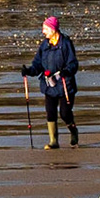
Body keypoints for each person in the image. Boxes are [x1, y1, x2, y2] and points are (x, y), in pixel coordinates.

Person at [22, 16, 79, 149]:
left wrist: (67, 71)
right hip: (49, 85)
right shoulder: (44, 45)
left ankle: (73, 131)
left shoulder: (65, 44)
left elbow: (73, 63)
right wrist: (29, 71)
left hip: (65, 84)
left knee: (65, 113)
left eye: (45, 28)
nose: (43, 31)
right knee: (50, 112)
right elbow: (38, 64)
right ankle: (53, 141)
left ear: (53, 29)